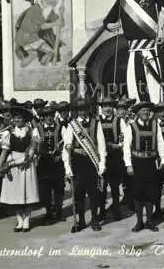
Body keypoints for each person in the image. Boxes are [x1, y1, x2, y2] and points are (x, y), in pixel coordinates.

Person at [62, 99, 107, 232]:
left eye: (84, 109)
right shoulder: (72, 125)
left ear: (88, 109)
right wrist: (67, 168)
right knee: (78, 194)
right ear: (77, 111)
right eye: (79, 109)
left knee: (94, 193)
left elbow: (101, 145)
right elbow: (66, 146)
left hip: (92, 162)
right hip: (77, 162)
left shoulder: (96, 123)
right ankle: (80, 221)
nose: (82, 111)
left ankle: (94, 220)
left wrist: (102, 163)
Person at [0, 106, 40, 232]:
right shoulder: (8, 133)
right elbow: (4, 152)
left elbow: (32, 150)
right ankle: (19, 220)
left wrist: (20, 161)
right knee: (15, 194)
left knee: (27, 193)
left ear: (25, 120)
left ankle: (27, 220)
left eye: (19, 118)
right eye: (15, 118)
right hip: (12, 164)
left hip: (26, 164)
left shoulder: (32, 131)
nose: (17, 120)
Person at [123, 102, 164, 232]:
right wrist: (128, 164)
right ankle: (139, 222)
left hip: (151, 163)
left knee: (150, 192)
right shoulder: (131, 126)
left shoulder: (155, 125)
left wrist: (163, 159)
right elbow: (126, 146)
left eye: (148, 111)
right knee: (137, 193)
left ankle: (149, 221)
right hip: (137, 163)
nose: (146, 113)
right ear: (138, 113)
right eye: (143, 111)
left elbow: (160, 142)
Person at [97, 96, 128, 222]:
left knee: (115, 186)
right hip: (101, 157)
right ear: (101, 108)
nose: (108, 109)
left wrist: (119, 145)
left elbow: (125, 137)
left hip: (115, 157)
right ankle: (102, 211)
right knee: (101, 187)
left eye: (110, 106)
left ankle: (116, 210)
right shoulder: (97, 120)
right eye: (105, 106)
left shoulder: (119, 121)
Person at [36, 106, 65, 223]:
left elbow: (66, 143)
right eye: (47, 116)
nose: (49, 118)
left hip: (57, 162)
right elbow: (34, 144)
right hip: (43, 163)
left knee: (58, 188)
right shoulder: (37, 129)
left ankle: (59, 212)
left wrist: (61, 155)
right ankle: (48, 212)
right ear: (43, 117)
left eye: (51, 115)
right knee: (45, 189)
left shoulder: (61, 127)